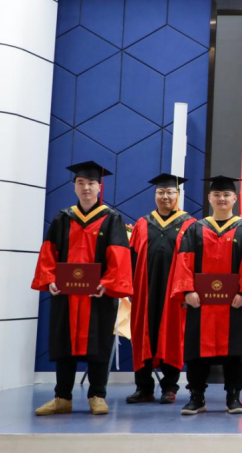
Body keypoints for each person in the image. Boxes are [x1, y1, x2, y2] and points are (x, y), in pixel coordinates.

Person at [32, 161, 133, 416]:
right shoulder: (62, 218)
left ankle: (97, 396)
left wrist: (106, 284)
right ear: (74, 187)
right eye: (80, 183)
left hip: (98, 296)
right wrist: (50, 279)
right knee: (63, 344)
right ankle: (62, 398)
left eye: (91, 183)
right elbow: (48, 253)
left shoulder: (111, 219)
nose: (86, 187)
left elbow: (119, 257)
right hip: (66, 295)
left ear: (99, 187)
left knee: (99, 344)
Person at [171, 175, 242, 415]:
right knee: (196, 351)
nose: (222, 199)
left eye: (226, 195)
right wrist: (187, 290)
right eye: (217, 195)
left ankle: (233, 396)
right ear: (209, 198)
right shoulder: (196, 228)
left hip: (233, 302)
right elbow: (184, 261)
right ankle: (197, 397)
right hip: (200, 302)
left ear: (235, 198)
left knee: (235, 351)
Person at [127, 173, 195, 405]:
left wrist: (188, 290)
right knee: (142, 336)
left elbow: (194, 262)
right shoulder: (142, 223)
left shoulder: (189, 224)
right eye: (160, 192)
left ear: (178, 195)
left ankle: (169, 387)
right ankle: (143, 387)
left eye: (170, 192)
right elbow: (132, 258)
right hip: (144, 291)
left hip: (174, 292)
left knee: (172, 336)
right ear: (155, 194)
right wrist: (130, 288)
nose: (165, 196)